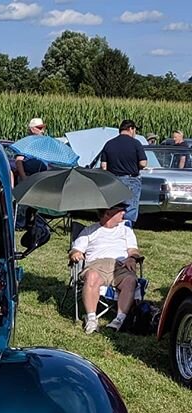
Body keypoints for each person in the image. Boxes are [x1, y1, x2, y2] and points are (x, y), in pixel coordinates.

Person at [69, 203, 141, 335]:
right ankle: (91, 319)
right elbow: (76, 249)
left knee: (130, 281)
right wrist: (75, 254)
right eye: (120, 211)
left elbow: (133, 250)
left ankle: (119, 319)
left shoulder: (126, 230)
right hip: (96, 265)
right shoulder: (89, 231)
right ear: (108, 213)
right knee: (91, 277)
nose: (124, 213)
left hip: (120, 266)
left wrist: (132, 258)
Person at [100, 119, 147, 227]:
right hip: (131, 180)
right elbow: (143, 163)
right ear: (131, 129)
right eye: (135, 130)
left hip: (113, 180)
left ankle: (112, 229)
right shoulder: (136, 143)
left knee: (114, 206)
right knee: (129, 208)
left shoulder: (109, 144)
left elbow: (104, 166)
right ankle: (126, 231)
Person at [14, 117, 47, 228]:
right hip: (28, 175)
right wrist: (24, 177)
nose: (42, 130)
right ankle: (19, 223)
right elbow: (19, 161)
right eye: (40, 128)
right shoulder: (26, 143)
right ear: (32, 129)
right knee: (23, 202)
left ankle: (35, 223)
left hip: (40, 176)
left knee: (38, 201)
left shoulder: (45, 144)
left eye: (43, 127)